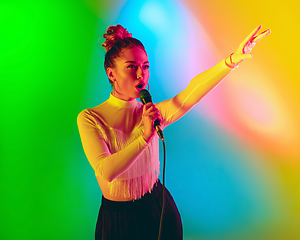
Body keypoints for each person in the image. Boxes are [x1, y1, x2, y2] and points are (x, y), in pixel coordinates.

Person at [77, 24, 270, 240]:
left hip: (159, 208)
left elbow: (190, 93)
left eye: (146, 66)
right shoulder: (90, 118)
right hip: (120, 220)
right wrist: (144, 138)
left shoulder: (152, 113)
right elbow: (107, 171)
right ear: (111, 73)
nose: (142, 74)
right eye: (132, 66)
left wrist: (232, 60)